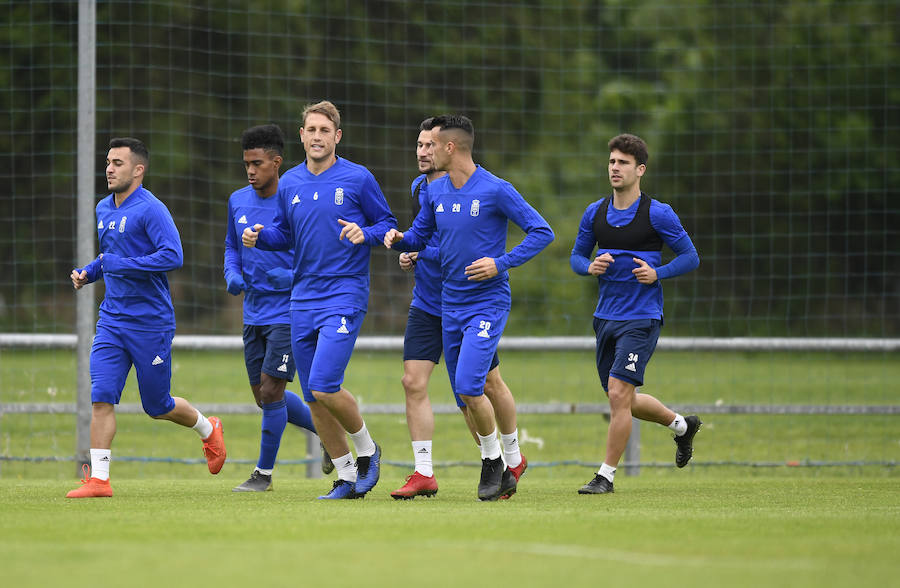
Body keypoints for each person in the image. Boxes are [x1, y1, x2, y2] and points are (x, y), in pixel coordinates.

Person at [385, 114, 554, 501]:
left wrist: (501, 262)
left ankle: (495, 461)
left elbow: (542, 231)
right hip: (449, 303)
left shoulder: (496, 190)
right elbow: (419, 235)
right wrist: (397, 241)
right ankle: (502, 463)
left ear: (451, 148)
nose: (425, 150)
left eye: (433, 144)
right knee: (467, 395)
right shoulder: (435, 192)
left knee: (469, 386)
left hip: (487, 303)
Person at [242, 101, 396, 499]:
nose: (316, 137)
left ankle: (367, 450)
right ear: (301, 136)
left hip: (344, 293)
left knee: (326, 385)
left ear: (336, 137)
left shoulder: (359, 179)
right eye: (310, 130)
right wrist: (261, 236)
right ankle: (346, 477)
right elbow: (284, 235)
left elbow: (388, 225)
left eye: (324, 131)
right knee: (312, 397)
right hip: (302, 298)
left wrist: (367, 233)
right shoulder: (290, 182)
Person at [67, 137, 226, 498]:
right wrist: (89, 273)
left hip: (150, 322)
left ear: (138, 170)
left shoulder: (151, 209)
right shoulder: (104, 207)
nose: (109, 168)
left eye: (118, 163)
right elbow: (110, 256)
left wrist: (123, 265)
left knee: (157, 406)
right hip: (112, 320)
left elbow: (173, 255)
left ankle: (208, 428)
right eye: (108, 162)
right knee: (102, 396)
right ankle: (99, 480)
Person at [569, 133, 701, 495]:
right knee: (621, 397)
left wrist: (658, 273)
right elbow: (576, 258)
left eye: (623, 162)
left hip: (641, 318)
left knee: (617, 394)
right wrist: (590, 266)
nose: (615, 167)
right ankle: (681, 426)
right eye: (612, 161)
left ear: (639, 170)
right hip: (605, 317)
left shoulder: (658, 213)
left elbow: (691, 257)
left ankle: (605, 476)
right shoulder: (594, 213)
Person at [224, 124, 332, 492]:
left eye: (257, 163)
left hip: (289, 312)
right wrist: (232, 272)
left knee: (272, 390)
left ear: (277, 162)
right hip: (252, 313)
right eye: (246, 165)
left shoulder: (296, 197)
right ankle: (327, 431)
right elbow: (230, 246)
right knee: (262, 396)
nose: (251, 171)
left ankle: (263, 475)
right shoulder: (237, 200)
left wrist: (286, 277)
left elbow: (314, 253)